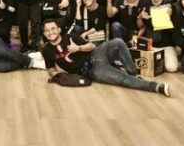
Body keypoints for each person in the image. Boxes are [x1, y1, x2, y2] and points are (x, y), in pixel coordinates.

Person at [41, 19, 170, 96]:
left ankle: (134, 74)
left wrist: (78, 48)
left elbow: (91, 46)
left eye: (53, 28)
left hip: (96, 54)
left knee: (118, 42)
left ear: (59, 29)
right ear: (44, 34)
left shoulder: (70, 37)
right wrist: (56, 75)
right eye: (47, 30)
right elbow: (50, 68)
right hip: (92, 71)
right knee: (121, 79)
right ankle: (155, 87)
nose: (51, 32)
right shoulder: (47, 50)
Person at [138, 0, 179, 73]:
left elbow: (176, 26)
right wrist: (140, 17)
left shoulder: (170, 5)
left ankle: (169, 56)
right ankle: (159, 59)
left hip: (167, 44)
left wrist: (171, 16)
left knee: (172, 68)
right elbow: (140, 26)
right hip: (151, 44)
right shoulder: (145, 5)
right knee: (145, 67)